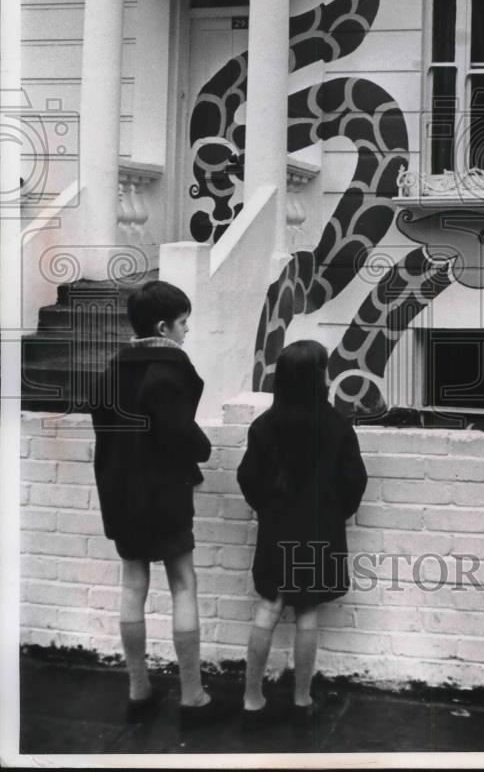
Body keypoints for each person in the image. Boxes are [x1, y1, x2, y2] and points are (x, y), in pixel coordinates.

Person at [91, 280, 226, 728]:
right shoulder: (167, 374)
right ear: (164, 327)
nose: (188, 331)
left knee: (133, 585)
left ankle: (138, 689)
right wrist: (202, 449)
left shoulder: (110, 370)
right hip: (164, 494)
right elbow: (184, 437)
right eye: (184, 323)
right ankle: (192, 694)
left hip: (120, 493)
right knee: (183, 583)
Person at [236, 339, 368, 732]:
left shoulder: (263, 426)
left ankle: (251, 698)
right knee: (307, 610)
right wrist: (332, 515)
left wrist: (268, 509)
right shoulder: (337, 427)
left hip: (276, 529)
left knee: (270, 606)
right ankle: (302, 697)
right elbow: (354, 483)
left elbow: (248, 479)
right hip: (319, 530)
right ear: (318, 378)